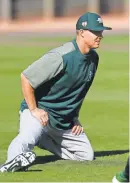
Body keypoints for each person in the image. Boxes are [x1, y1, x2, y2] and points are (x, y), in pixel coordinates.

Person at [0, 12, 112, 172]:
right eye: (95, 31)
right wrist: (34, 110)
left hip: (62, 121)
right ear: (81, 32)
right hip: (40, 113)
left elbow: (78, 91)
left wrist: (75, 118)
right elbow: (26, 77)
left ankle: (42, 139)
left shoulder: (93, 59)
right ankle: (11, 163)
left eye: (101, 31)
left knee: (86, 155)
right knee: (27, 138)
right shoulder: (61, 56)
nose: (100, 35)